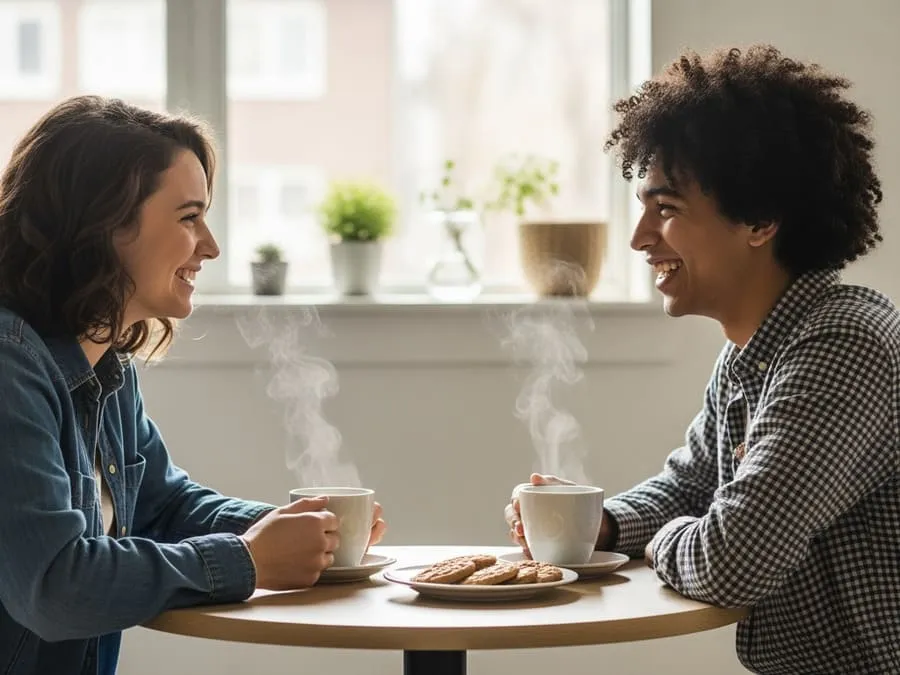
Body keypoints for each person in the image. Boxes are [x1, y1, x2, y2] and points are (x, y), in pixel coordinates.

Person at [505, 44, 899, 674]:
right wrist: (601, 526)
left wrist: (665, 539)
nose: (639, 238)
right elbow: (693, 486)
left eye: (666, 209)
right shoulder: (754, 353)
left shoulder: (840, 346)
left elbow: (730, 561)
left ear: (760, 219)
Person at [0, 95, 387, 675]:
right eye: (189, 217)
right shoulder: (11, 365)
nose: (211, 246)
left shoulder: (107, 364)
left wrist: (306, 534)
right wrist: (249, 559)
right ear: (104, 226)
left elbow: (163, 503)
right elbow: (55, 588)